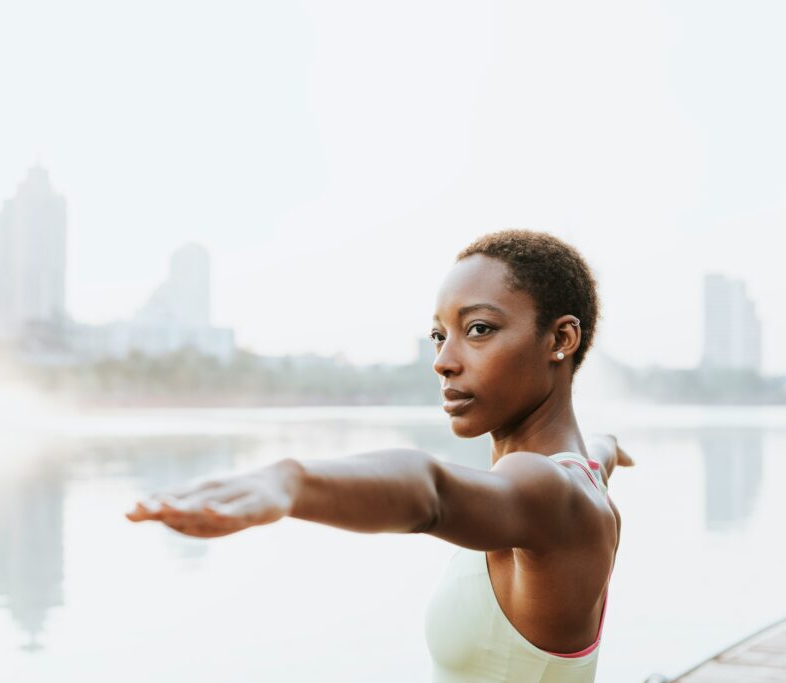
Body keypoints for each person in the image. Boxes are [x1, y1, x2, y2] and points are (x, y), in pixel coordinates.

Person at [126, 229, 634, 682]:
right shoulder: (584, 477)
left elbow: (431, 491)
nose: (443, 362)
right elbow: (597, 455)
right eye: (439, 335)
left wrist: (292, 482)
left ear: (561, 339)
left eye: (478, 329)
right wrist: (610, 448)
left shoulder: (546, 491)